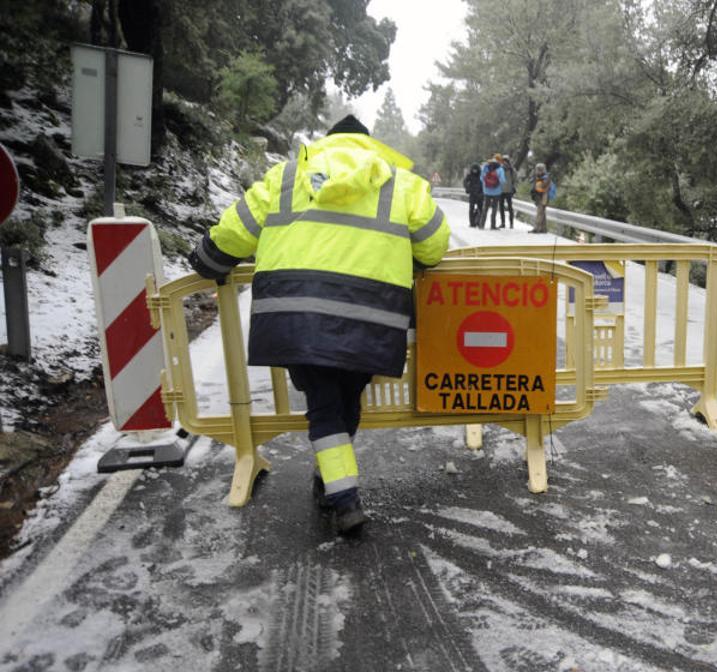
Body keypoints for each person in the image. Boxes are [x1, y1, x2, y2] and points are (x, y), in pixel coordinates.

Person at [187, 114, 450, 536]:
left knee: (327, 402)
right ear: (371, 146)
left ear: (325, 143)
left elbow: (237, 230)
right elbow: (435, 246)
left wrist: (208, 260)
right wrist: (408, 258)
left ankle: (340, 492)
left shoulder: (286, 176)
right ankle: (339, 494)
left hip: (295, 314)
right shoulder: (400, 183)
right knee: (343, 398)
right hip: (373, 315)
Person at [480, 154, 506, 229]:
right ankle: (493, 225)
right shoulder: (500, 169)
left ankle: (482, 225)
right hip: (497, 192)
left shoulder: (485, 167)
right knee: (494, 208)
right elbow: (503, 180)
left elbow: (481, 178)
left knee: (485, 208)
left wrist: (486, 185)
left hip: (487, 191)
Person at [529, 162, 552, 234]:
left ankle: (536, 228)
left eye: (538, 169)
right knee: (542, 212)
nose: (537, 171)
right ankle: (543, 229)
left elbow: (544, 187)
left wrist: (539, 180)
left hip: (543, 197)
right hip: (540, 197)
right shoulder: (539, 177)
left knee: (540, 212)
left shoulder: (545, 177)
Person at [463, 163, 484, 228]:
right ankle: (472, 223)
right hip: (472, 194)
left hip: (480, 194)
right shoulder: (469, 175)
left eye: (476, 170)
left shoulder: (481, 175)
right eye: (473, 169)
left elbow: (484, 183)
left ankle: (479, 221)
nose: (475, 171)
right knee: (471, 208)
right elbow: (465, 182)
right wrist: (468, 188)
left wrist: (483, 192)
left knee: (480, 209)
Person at [500, 154, 516, 228]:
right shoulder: (510, 169)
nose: (505, 162)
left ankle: (508, 223)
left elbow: (514, 179)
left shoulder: (511, 170)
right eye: (504, 161)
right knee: (505, 207)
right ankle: (507, 223)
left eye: (505, 161)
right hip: (504, 190)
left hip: (505, 191)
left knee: (507, 207)